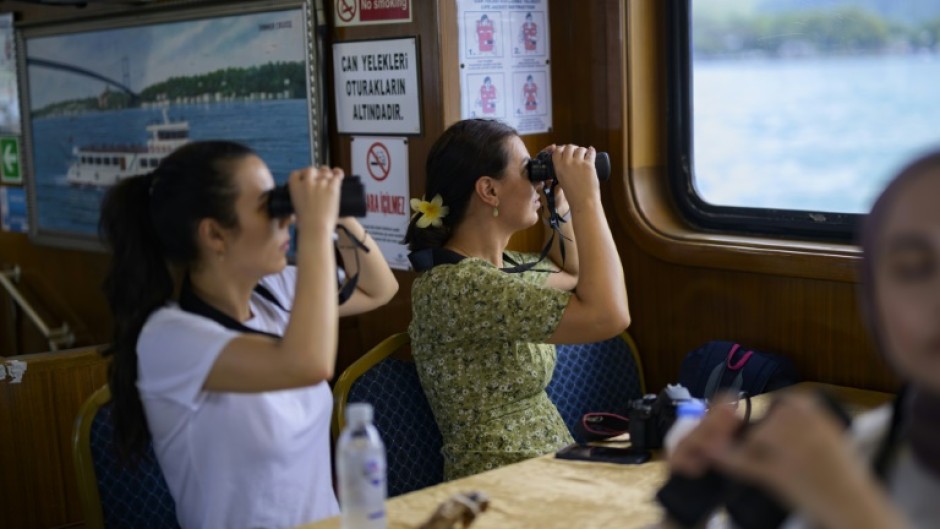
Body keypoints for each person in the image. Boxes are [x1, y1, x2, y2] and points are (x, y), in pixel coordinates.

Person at [98, 141, 398, 529]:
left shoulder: (280, 292)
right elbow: (308, 363)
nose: (285, 218)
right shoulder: (169, 338)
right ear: (215, 235)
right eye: (267, 206)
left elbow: (379, 288)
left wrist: (338, 214)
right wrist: (316, 228)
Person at [662, 149, 940, 529]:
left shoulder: (842, 482)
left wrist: (850, 507)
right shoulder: (869, 450)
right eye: (912, 269)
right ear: (875, 303)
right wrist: (686, 512)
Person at [404, 119, 630, 480]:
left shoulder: (504, 269)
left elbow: (572, 273)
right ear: (489, 191)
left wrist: (566, 205)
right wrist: (589, 198)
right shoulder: (457, 285)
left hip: (547, 470)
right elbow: (609, 315)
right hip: (499, 483)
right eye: (529, 171)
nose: (538, 181)